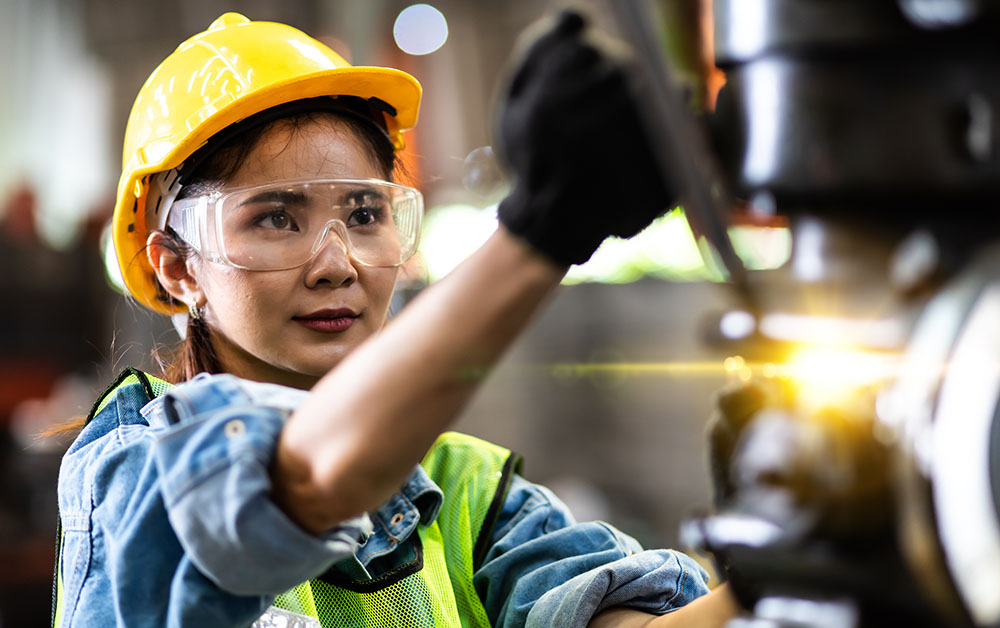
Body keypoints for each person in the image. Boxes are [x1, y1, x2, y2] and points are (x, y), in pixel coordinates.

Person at [52, 11, 737, 628]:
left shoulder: (466, 492)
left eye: (363, 215)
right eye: (276, 217)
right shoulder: (133, 472)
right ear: (177, 265)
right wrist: (545, 229)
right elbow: (302, 480)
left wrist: (783, 571)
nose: (336, 264)